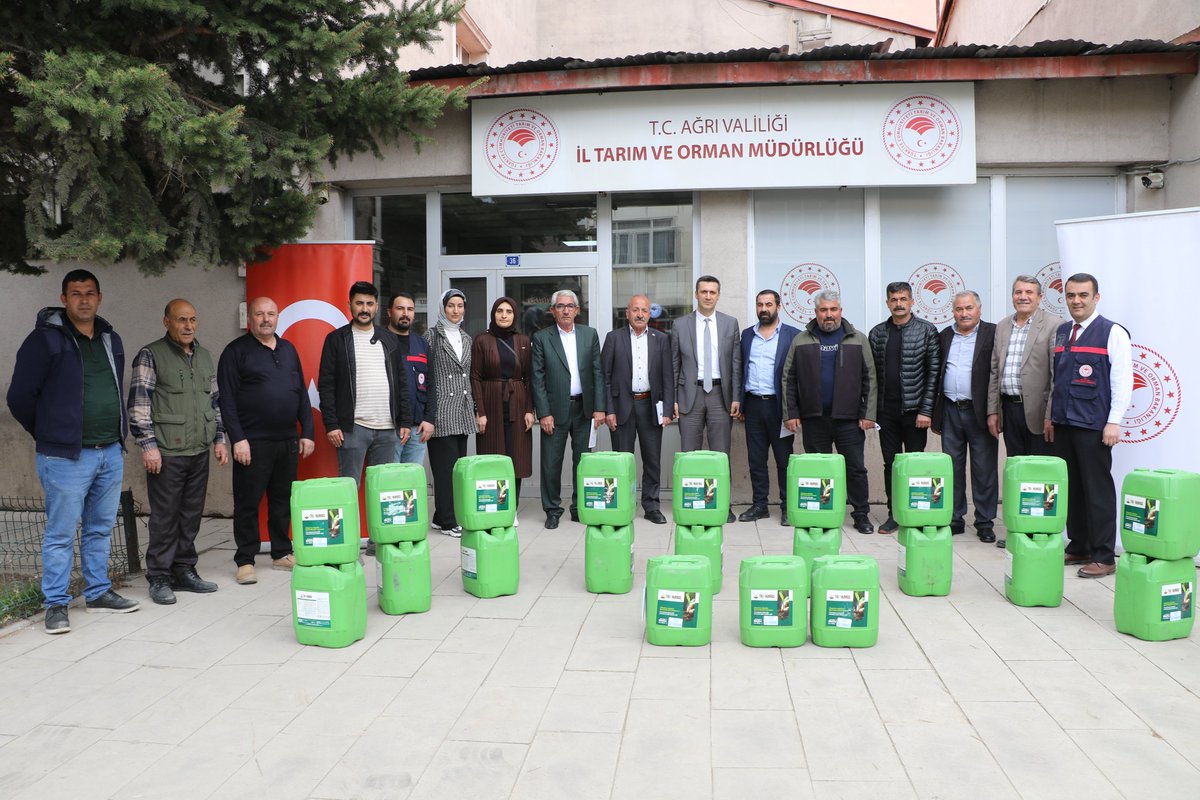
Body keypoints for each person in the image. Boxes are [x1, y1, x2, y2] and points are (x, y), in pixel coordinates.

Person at [8, 269, 141, 633]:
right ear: (64, 299)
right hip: (65, 457)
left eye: (90, 293)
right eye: (76, 293)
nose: (84, 299)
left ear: (99, 297)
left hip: (109, 451)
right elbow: (19, 397)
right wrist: (50, 431)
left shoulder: (110, 338)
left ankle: (98, 592)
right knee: (61, 533)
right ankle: (55, 603)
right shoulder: (44, 341)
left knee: (100, 528)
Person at [127, 299, 228, 605]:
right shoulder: (150, 354)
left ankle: (183, 569)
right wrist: (148, 446)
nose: (188, 326)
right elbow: (138, 403)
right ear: (166, 322)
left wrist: (220, 439)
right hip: (167, 451)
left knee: (191, 514)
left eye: (193, 320)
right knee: (165, 516)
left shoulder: (205, 356)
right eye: (181, 320)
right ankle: (159, 575)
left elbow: (215, 402)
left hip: (198, 449)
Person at [217, 297, 315, 585]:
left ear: (277, 317)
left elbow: (300, 393)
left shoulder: (288, 349)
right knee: (248, 503)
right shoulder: (236, 352)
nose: (265, 319)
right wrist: (238, 439)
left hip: (286, 440)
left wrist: (307, 431)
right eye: (259, 314)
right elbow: (227, 400)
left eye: (271, 313)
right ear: (250, 317)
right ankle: (245, 559)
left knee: (281, 500)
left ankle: (282, 552)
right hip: (252, 442)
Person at [1049, 273, 1132, 579]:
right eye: (1071, 295)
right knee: (1073, 489)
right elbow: (1057, 380)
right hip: (1065, 422)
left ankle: (1104, 554)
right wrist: (1051, 417)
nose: (1076, 301)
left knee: (1097, 490)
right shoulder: (1062, 332)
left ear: (1096, 297)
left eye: (1083, 295)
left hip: (1094, 425)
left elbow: (1122, 380)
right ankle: (1080, 543)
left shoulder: (1112, 333)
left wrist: (1114, 421)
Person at [782, 291, 877, 534]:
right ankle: (821, 513)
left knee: (855, 468)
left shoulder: (857, 339)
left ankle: (861, 515)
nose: (829, 315)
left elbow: (871, 378)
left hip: (849, 419)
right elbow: (788, 379)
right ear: (816, 313)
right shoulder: (801, 340)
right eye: (824, 310)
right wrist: (790, 412)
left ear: (840, 311)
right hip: (814, 418)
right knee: (817, 470)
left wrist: (868, 413)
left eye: (833, 309)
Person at [986, 275, 1063, 549]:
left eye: (1029, 292)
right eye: (1018, 291)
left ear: (1040, 297)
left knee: (1039, 473)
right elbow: (996, 370)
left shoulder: (1054, 325)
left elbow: (1057, 374)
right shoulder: (1004, 326)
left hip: (1039, 413)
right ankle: (1017, 530)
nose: (1023, 296)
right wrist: (993, 410)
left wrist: (1051, 414)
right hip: (1010, 408)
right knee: (1016, 471)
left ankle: (1039, 531)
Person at [318, 281, 411, 487]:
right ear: (349, 304)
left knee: (383, 490)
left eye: (369, 303)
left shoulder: (389, 339)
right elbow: (326, 384)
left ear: (377, 306)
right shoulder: (336, 339)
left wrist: (405, 421)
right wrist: (332, 425)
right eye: (359, 303)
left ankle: (374, 522)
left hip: (388, 429)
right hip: (352, 428)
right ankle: (352, 522)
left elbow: (401, 382)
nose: (364, 309)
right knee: (349, 487)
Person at [868, 281, 941, 533]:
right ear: (887, 302)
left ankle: (915, 513)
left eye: (903, 299)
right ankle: (894, 514)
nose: (898, 304)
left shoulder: (926, 331)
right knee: (891, 465)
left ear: (912, 302)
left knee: (914, 465)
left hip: (915, 413)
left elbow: (934, 374)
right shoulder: (877, 333)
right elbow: (872, 376)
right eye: (894, 300)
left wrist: (926, 410)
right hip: (885, 413)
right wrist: (871, 412)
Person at [671, 275, 742, 524]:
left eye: (713, 292)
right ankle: (690, 504)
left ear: (718, 295)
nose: (708, 296)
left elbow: (736, 363)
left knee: (720, 455)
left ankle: (722, 506)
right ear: (696, 294)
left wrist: (736, 397)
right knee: (689, 455)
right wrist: (673, 400)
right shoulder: (680, 325)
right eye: (704, 292)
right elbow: (674, 365)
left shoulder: (729, 323)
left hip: (720, 396)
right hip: (690, 394)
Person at [532, 289, 605, 528]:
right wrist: (543, 413)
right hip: (554, 411)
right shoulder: (542, 338)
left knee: (582, 461)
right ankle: (553, 509)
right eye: (560, 306)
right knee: (551, 463)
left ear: (577, 310)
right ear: (552, 311)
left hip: (584, 409)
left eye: (570, 306)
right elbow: (537, 378)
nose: (565, 310)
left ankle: (578, 507)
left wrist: (599, 408)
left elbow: (597, 372)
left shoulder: (589, 335)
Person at [931, 291, 998, 543]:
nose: (964, 313)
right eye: (959, 309)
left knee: (984, 469)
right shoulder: (945, 335)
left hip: (980, 412)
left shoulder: (992, 333)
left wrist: (995, 411)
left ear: (979, 309)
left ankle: (984, 521)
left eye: (969, 308)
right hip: (950, 409)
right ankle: (955, 518)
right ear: (953, 312)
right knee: (953, 467)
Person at [602, 294, 675, 524]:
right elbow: (604, 377)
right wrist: (608, 410)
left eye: (644, 310)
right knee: (623, 458)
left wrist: (667, 412)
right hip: (622, 406)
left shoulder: (661, 339)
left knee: (652, 459)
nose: (640, 314)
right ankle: (622, 503)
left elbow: (668, 378)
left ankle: (651, 506)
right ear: (627, 313)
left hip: (650, 405)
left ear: (649, 313)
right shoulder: (613, 338)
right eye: (635, 310)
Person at [738, 289, 800, 525]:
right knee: (756, 459)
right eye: (760, 304)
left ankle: (786, 506)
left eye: (768, 304)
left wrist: (793, 410)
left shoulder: (792, 335)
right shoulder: (747, 335)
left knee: (784, 460)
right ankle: (760, 505)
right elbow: (740, 369)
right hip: (753, 405)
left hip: (779, 407)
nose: (764, 309)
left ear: (778, 306)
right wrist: (741, 403)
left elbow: (796, 376)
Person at [471, 297, 535, 520]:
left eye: (509, 311)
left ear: (515, 315)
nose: (504, 315)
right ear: (494, 314)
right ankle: (493, 505)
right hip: (490, 403)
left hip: (517, 404)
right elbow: (475, 377)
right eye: (500, 311)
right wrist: (480, 411)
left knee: (515, 456)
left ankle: (511, 508)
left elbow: (529, 378)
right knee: (492, 454)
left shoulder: (523, 341)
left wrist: (530, 409)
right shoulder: (482, 340)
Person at [424, 289, 478, 536]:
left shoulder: (466, 338)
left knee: (456, 468)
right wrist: (427, 414)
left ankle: (440, 516)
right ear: (442, 308)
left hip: (463, 411)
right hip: (441, 410)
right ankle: (448, 521)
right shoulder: (431, 336)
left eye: (460, 306)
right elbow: (425, 377)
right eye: (451, 306)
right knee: (444, 469)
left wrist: (475, 410)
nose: (456, 311)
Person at [386, 292, 436, 464]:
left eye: (410, 309)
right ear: (389, 312)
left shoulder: (421, 344)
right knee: (389, 482)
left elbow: (431, 384)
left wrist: (429, 419)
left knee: (412, 483)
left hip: (417, 429)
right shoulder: (379, 342)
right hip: (389, 428)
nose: (405, 313)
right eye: (400, 308)